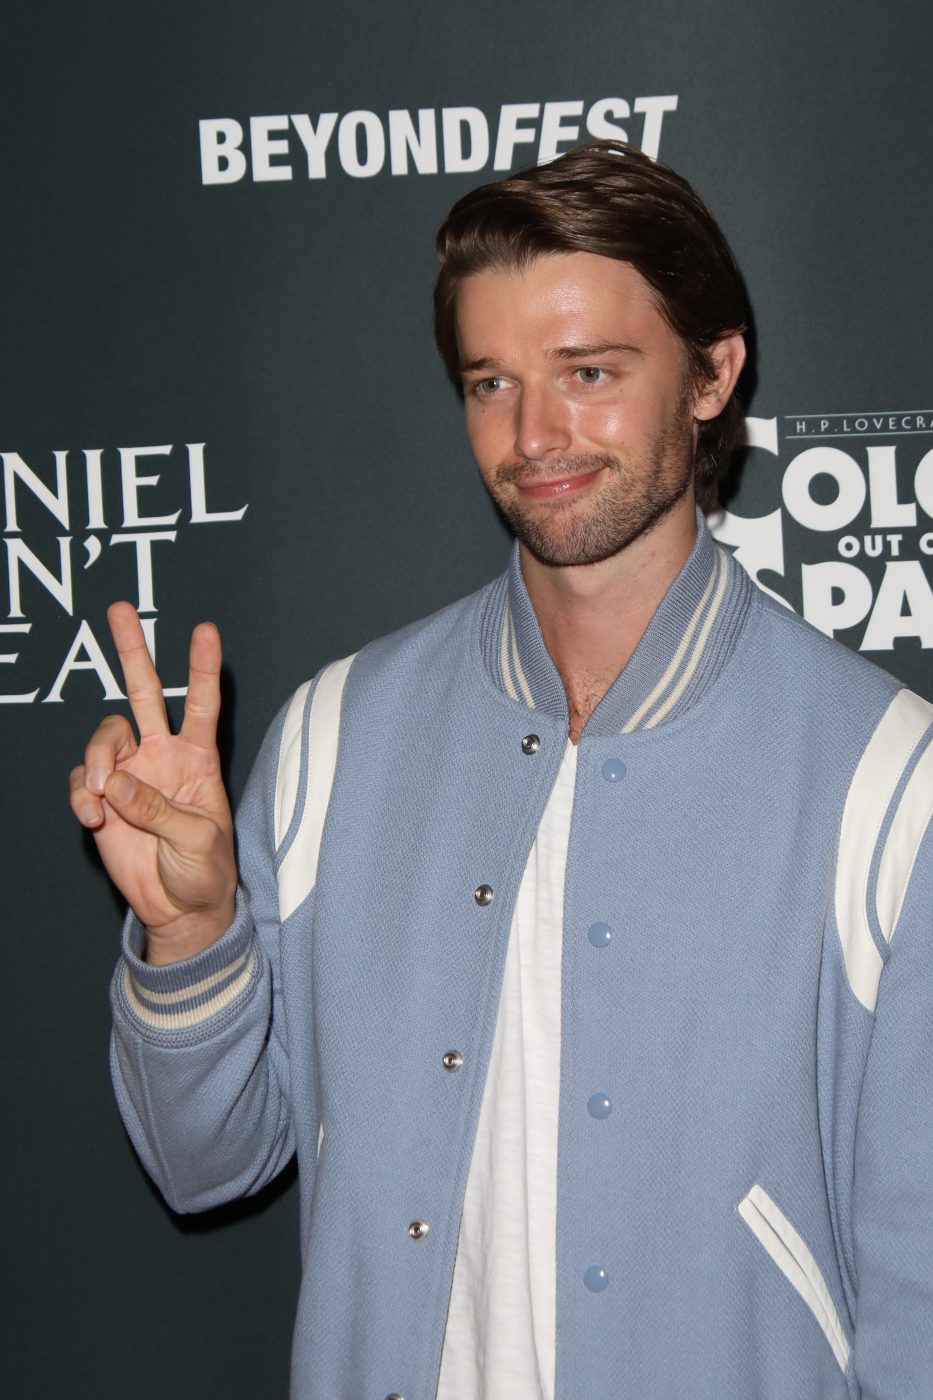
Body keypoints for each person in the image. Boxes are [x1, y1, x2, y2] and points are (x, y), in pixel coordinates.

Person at [70, 142, 933, 1400]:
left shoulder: (886, 776)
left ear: (712, 372)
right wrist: (188, 933)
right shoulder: (334, 736)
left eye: (589, 371)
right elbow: (202, 1164)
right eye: (492, 382)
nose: (535, 434)